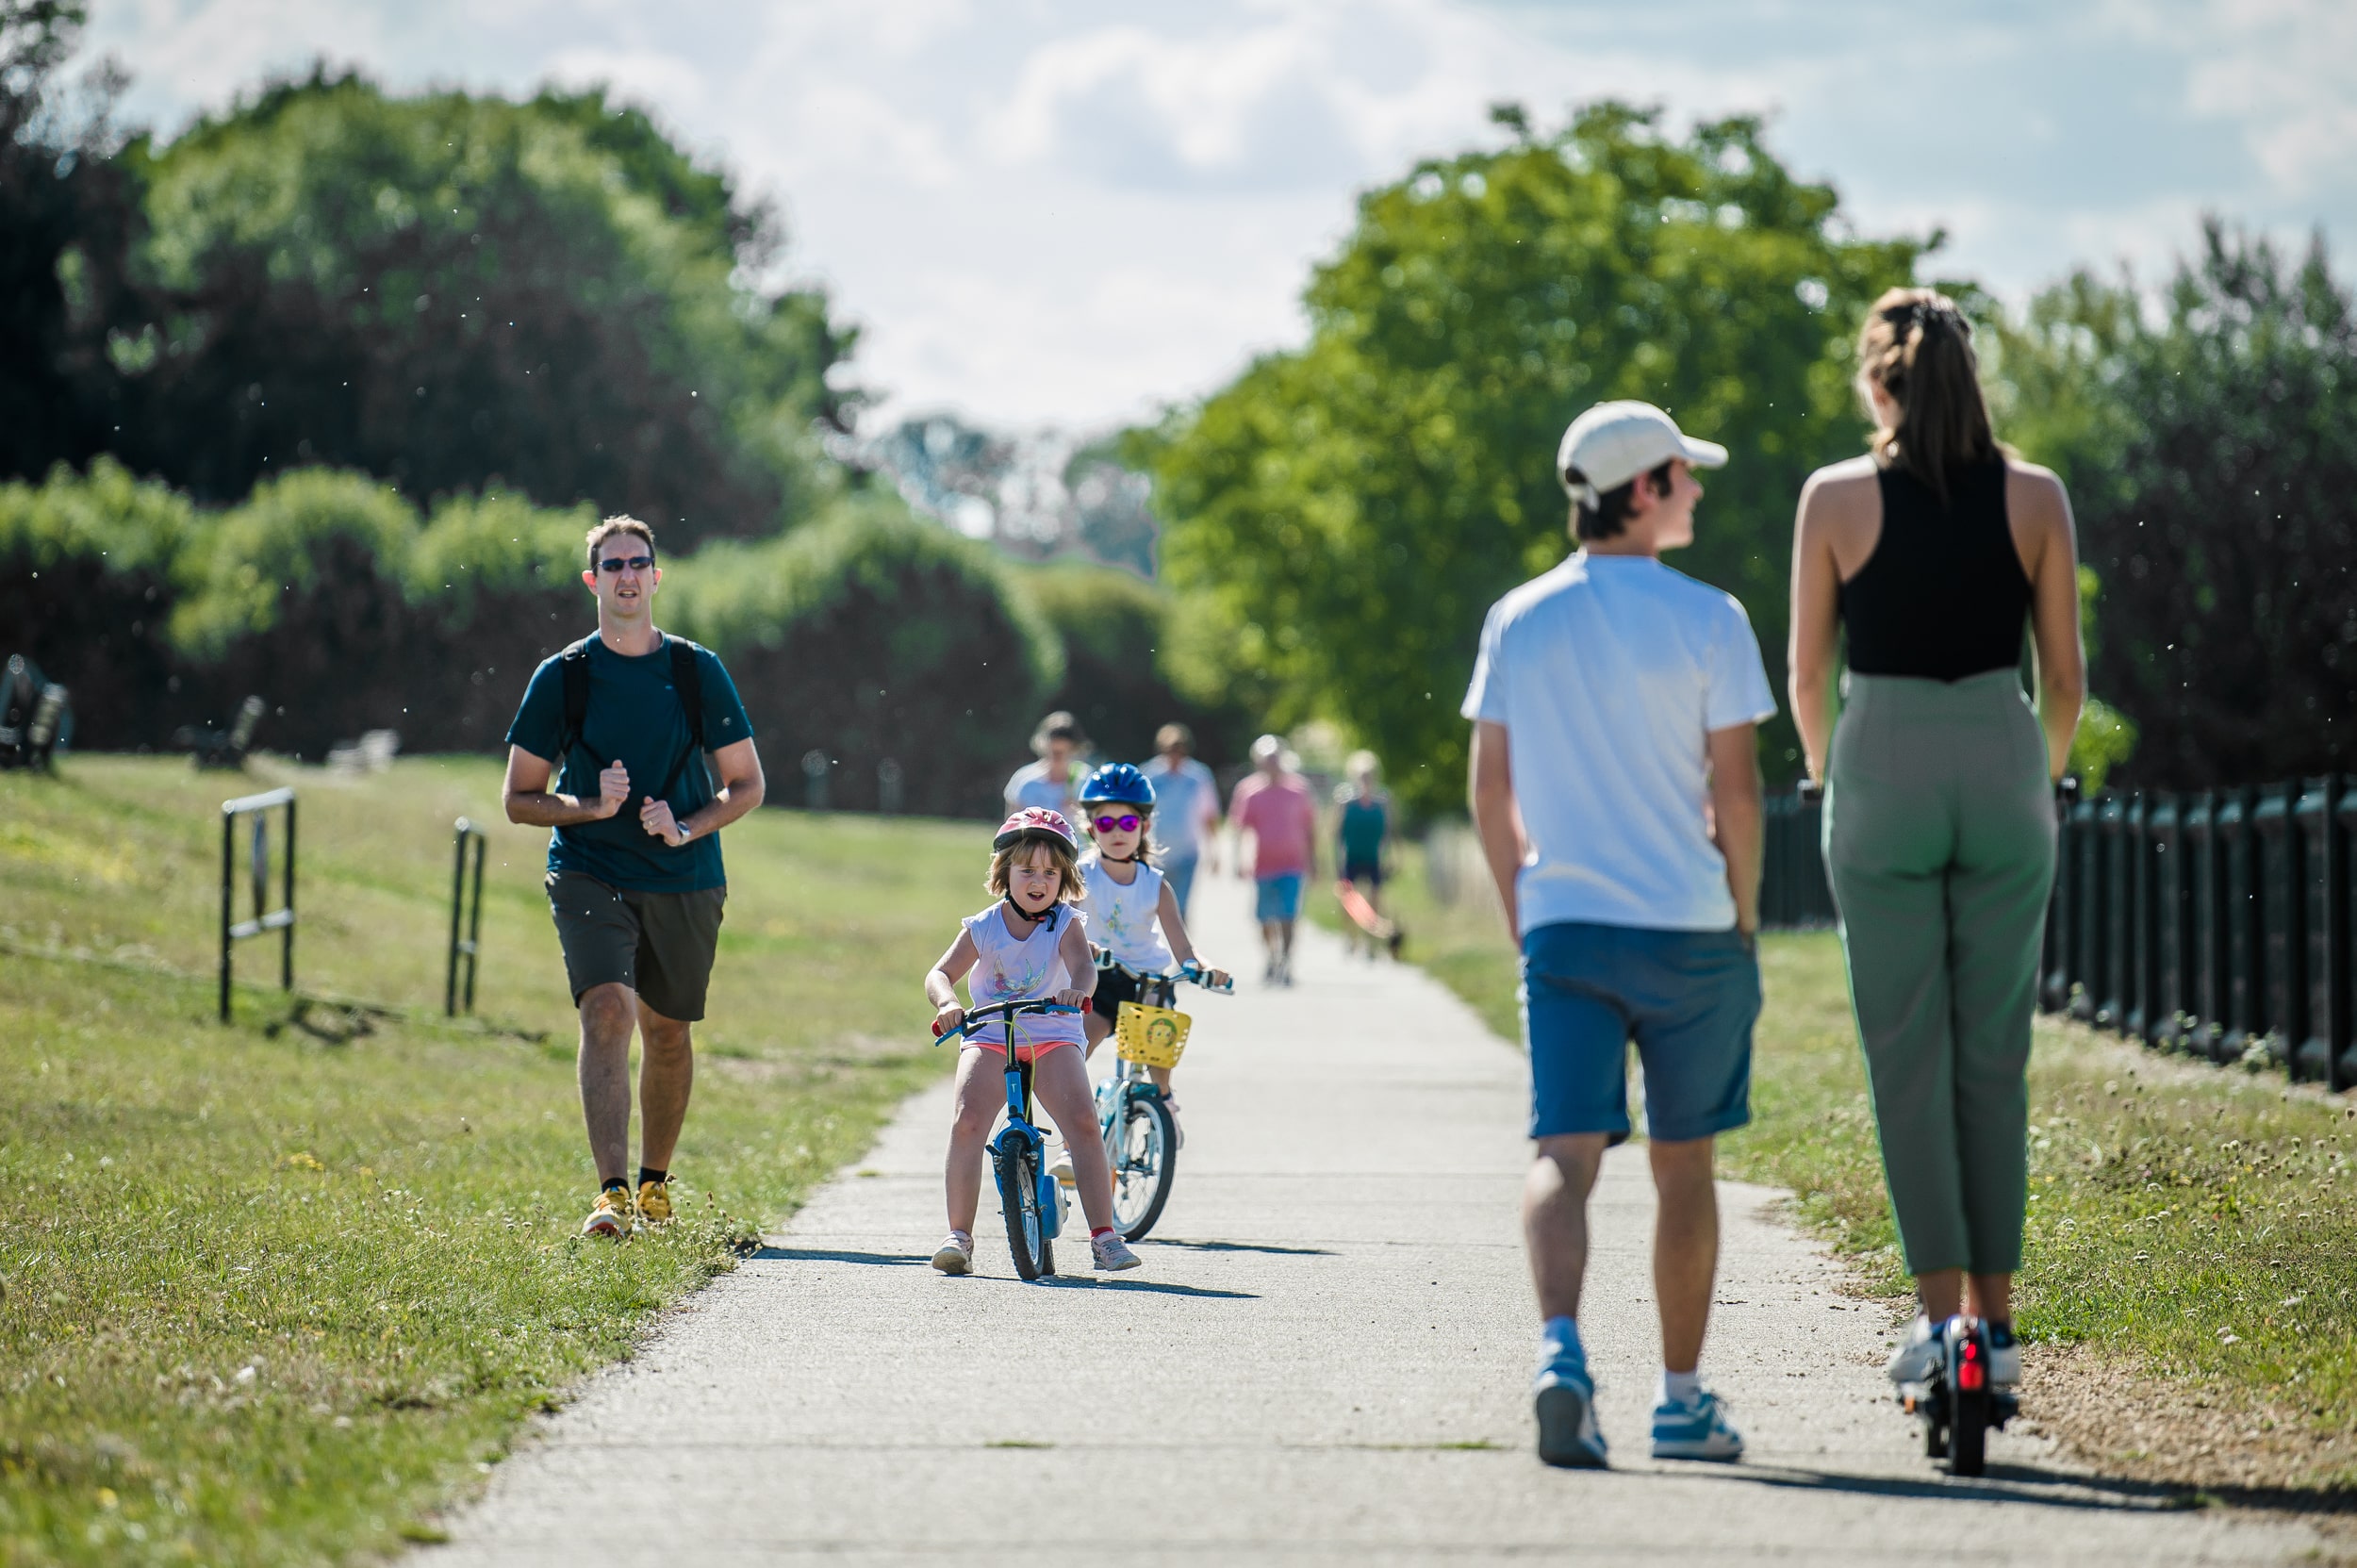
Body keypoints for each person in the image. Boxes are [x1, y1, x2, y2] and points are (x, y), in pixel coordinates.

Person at [1464, 400, 1773, 1468]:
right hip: (1688, 928)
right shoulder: (1711, 617)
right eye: (1683, 476)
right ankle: (1680, 1402)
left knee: (1564, 1152)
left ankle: (1560, 1355)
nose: (1694, 490)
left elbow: (1488, 786)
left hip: (1566, 927)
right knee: (1686, 1167)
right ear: (1642, 490)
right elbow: (1737, 793)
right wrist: (1742, 914)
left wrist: (1523, 911)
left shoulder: (1518, 616)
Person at [1788, 289, 2083, 1394]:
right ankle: (1997, 1333)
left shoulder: (1834, 498)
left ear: (1877, 383)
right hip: (2002, 759)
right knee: (1993, 1053)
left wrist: (1830, 773)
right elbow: (2063, 678)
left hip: (1880, 761)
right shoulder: (2037, 495)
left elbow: (1807, 674)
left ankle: (1934, 1320)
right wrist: (2034, 776)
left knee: (1905, 1056)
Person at [503, 517, 766, 1240]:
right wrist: (590, 805)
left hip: (684, 876)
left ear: (656, 576)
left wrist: (685, 825)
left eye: (637, 563)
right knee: (608, 1013)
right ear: (593, 581)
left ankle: (655, 1186)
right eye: (612, 564)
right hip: (590, 869)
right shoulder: (562, 678)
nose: (626, 575)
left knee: (669, 1031)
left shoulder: (695, 670)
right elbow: (519, 798)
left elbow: (745, 784)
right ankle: (610, 1194)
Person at [923, 808, 1143, 1275]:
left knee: (1083, 1121)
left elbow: (1083, 967)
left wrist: (1078, 992)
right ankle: (958, 1236)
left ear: (1064, 878)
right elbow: (940, 973)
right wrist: (946, 1004)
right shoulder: (983, 926)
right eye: (1028, 871)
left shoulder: (1066, 923)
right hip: (991, 1032)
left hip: (1051, 1031)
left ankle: (1104, 1237)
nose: (1039, 881)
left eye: (1050, 872)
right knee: (967, 1122)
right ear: (1005, 873)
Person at [1057, 762, 1228, 1171]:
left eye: (1128, 821)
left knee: (1157, 1051)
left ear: (1145, 826)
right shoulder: (1080, 876)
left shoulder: (1156, 884)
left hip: (1147, 981)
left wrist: (1204, 967)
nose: (1117, 831)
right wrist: (1085, 947)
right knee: (1074, 1049)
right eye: (1106, 822)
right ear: (1090, 827)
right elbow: (1062, 925)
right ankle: (1069, 1144)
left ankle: (1164, 1104)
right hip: (1098, 980)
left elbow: (1183, 947)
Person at [1228, 734, 1319, 985]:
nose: (1272, 765)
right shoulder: (1249, 791)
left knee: (1289, 915)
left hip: (1292, 863)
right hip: (1263, 865)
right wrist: (1238, 861)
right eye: (1267, 760)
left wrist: (1315, 862)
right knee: (1265, 918)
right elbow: (1240, 829)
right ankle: (1271, 956)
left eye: (1276, 759)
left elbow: (1310, 828)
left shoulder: (1299, 790)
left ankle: (1287, 963)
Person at [1140, 722, 1221, 914]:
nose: (1174, 756)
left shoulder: (1197, 776)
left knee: (1180, 907)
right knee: (1155, 907)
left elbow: (1208, 814)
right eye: (1170, 750)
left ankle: (1180, 943)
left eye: (1179, 750)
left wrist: (1214, 850)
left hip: (1187, 853)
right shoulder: (1150, 774)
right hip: (1157, 853)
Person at [1003, 712, 1088, 817]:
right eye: (1052, 752)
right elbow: (1010, 826)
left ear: (1074, 749)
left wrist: (1081, 814)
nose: (1055, 759)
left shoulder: (1086, 782)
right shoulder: (1024, 780)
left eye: (1061, 753)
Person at [1335, 750, 1391, 906]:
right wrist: (1338, 858)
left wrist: (1388, 854)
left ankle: (1371, 928)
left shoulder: (1382, 803)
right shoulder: (1346, 802)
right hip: (1351, 856)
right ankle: (1349, 931)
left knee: (1375, 894)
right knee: (1348, 897)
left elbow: (1388, 831)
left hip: (1373, 856)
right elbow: (1337, 833)